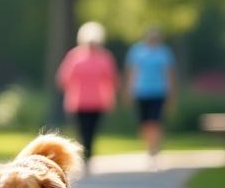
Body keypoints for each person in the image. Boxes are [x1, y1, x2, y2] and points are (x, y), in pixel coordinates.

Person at [57, 21, 118, 165]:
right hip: (78, 102)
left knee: (92, 130)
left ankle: (89, 154)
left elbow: (111, 80)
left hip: (97, 102)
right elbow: (64, 78)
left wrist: (111, 98)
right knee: (82, 130)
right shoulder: (75, 56)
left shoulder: (105, 58)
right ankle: (85, 155)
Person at [125, 27, 176, 166]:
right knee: (144, 123)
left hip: (158, 91)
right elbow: (132, 72)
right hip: (141, 91)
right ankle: (149, 147)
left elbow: (168, 74)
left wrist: (171, 94)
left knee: (156, 121)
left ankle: (155, 149)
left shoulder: (164, 52)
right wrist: (129, 91)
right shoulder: (137, 51)